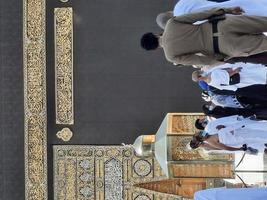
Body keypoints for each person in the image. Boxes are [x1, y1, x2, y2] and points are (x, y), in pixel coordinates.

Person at [141, 7, 267, 67]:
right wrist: (226, 10)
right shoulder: (171, 23)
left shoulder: (171, 56)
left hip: (224, 47)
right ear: (155, 34)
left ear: (155, 48)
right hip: (223, 25)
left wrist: (224, 59)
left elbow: (201, 61)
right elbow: (200, 15)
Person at [192, 64, 267, 91]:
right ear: (200, 77)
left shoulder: (210, 80)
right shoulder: (211, 78)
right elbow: (226, 76)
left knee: (255, 76)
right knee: (256, 74)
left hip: (237, 78)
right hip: (238, 74)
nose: (201, 71)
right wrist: (235, 71)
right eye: (199, 72)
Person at [194, 188, 267, 200]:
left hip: (224, 195)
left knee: (252, 194)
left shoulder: (197, 195)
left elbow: (218, 190)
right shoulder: (197, 194)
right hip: (225, 194)